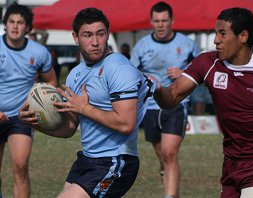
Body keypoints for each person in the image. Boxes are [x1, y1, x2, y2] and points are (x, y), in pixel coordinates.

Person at [153, 7, 253, 198]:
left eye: (222, 33)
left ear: (243, 36)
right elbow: (171, 97)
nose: (216, 40)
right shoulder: (206, 63)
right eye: (215, 33)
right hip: (231, 163)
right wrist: (156, 89)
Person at [19, 7, 153, 198]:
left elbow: (126, 124)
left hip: (115, 161)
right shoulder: (75, 74)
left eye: (100, 34)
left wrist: (85, 108)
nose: (95, 42)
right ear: (76, 37)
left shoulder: (118, 67)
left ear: (107, 33)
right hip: (87, 160)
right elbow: (68, 128)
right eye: (87, 35)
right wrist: (32, 123)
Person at [130, 2, 200, 197]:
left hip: (177, 104)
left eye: (164, 21)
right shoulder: (142, 46)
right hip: (150, 107)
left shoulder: (187, 44)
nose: (160, 25)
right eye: (157, 21)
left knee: (170, 153)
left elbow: (203, 70)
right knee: (164, 158)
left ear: (172, 21)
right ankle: (172, 189)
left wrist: (184, 72)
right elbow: (129, 73)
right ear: (151, 22)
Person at [0, 3, 57, 198]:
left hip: (21, 117)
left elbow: (51, 82)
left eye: (20, 22)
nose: (15, 26)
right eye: (11, 22)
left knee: (21, 167)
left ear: (28, 27)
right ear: (5, 24)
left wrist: (41, 102)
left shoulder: (39, 53)